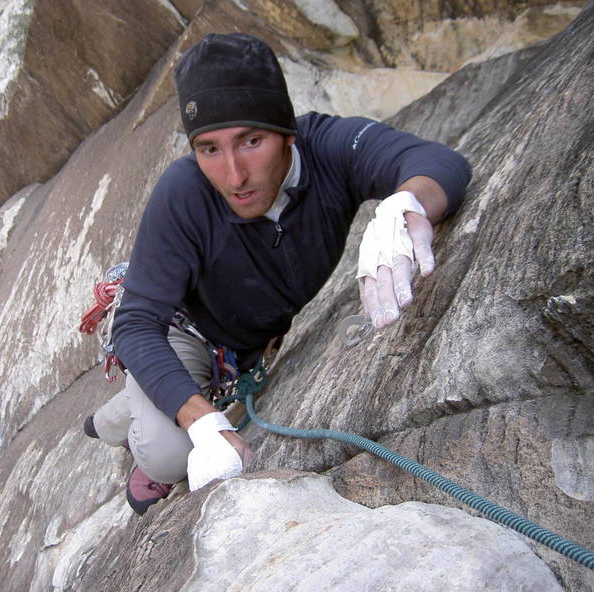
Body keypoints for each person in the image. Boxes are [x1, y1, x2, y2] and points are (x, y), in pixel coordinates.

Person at [83, 32, 472, 515]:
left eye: (251, 141)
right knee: (168, 455)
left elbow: (437, 163)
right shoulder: (183, 192)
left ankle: (112, 418)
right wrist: (201, 421)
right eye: (209, 149)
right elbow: (136, 323)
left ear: (287, 131)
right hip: (180, 330)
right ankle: (134, 428)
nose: (234, 175)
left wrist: (406, 205)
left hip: (250, 341)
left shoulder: (329, 147)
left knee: (165, 396)